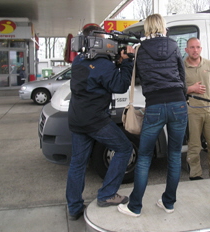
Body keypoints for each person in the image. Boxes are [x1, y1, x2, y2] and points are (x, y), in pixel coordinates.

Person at [117, 13, 188, 217]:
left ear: (147, 28)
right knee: (174, 155)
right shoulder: (174, 45)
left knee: (145, 156)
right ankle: (168, 202)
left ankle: (135, 206)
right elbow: (181, 75)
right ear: (163, 26)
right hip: (178, 103)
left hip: (155, 105)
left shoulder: (139, 51)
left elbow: (138, 76)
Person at [66, 23, 135, 221]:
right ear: (94, 40)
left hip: (77, 118)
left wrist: (117, 62)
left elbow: (98, 75)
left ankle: (74, 207)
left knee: (77, 164)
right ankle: (107, 195)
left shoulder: (79, 60)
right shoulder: (102, 64)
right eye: (103, 39)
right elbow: (120, 85)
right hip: (95, 119)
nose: (107, 42)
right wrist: (127, 62)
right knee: (124, 148)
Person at [184, 37, 210, 180]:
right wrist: (191, 89)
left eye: (198, 47)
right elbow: (177, 89)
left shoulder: (209, 64)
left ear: (201, 48)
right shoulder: (181, 66)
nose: (195, 50)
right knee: (194, 146)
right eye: (192, 47)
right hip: (192, 112)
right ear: (186, 50)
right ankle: (195, 175)